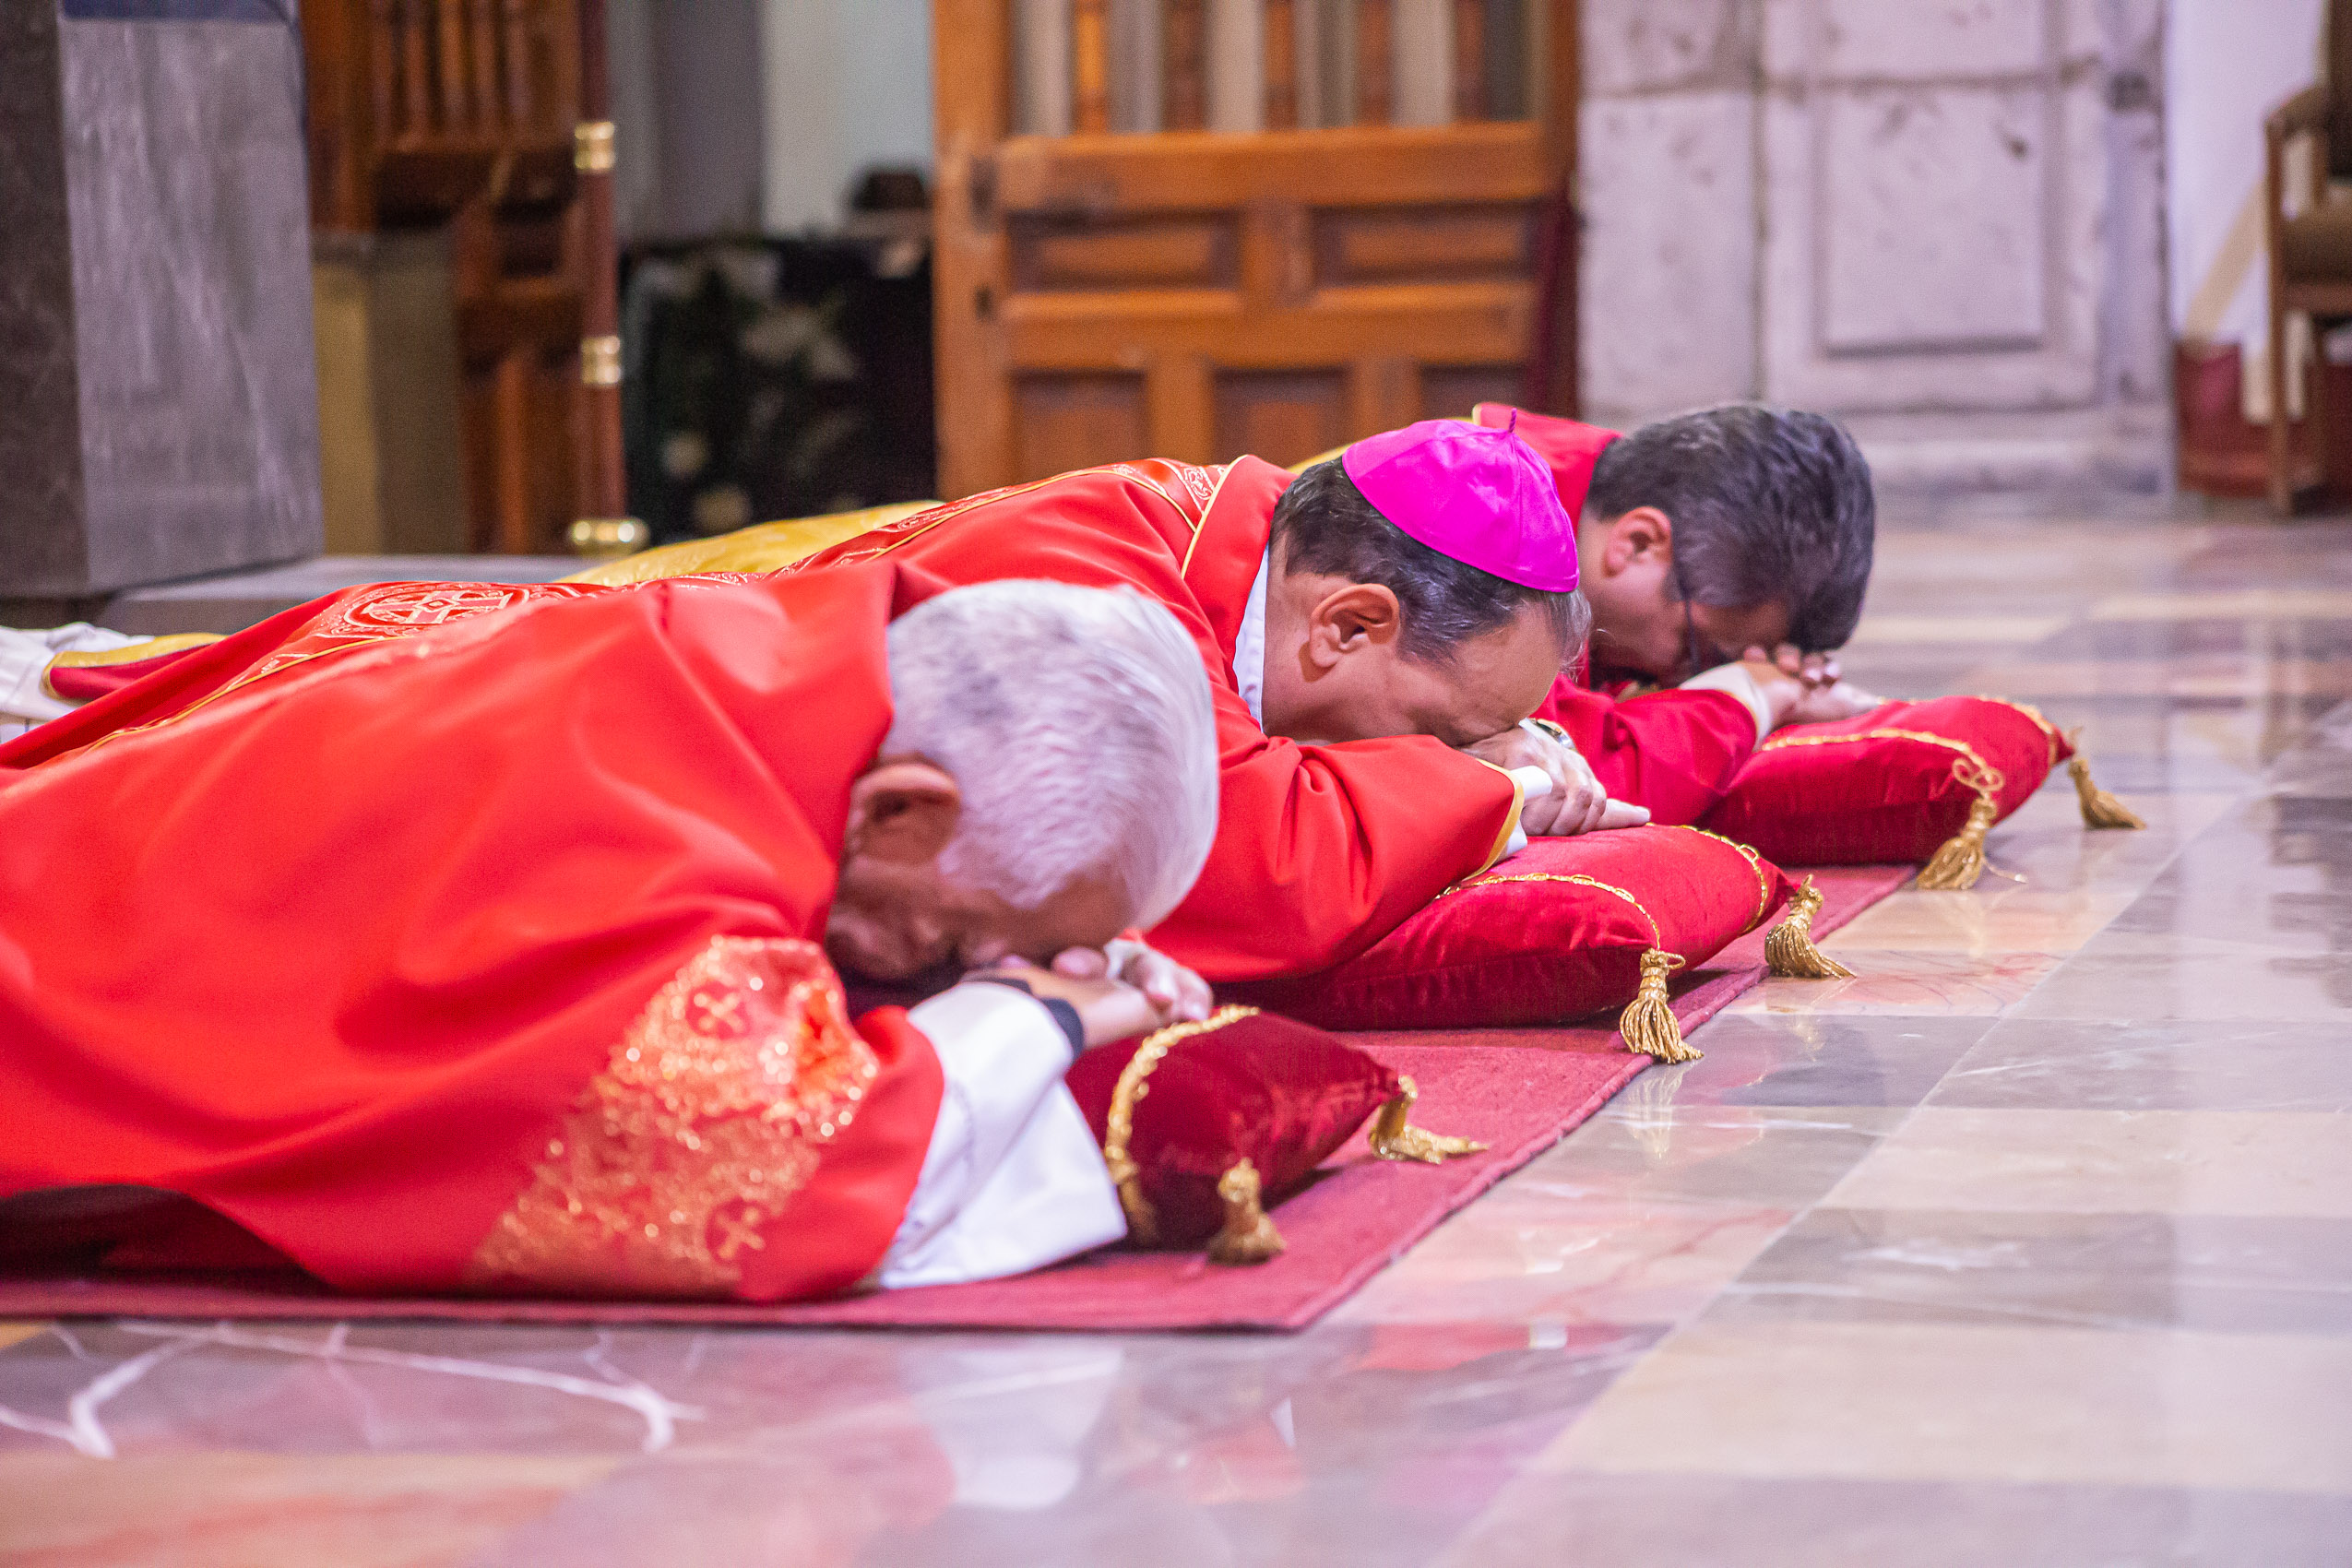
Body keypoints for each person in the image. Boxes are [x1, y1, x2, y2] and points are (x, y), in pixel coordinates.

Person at [1, 422, 1630, 987]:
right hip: (508, 719)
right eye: (1449, 720)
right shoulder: (1098, 591)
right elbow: (1233, 871)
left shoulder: (1229, 566)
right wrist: (1497, 793)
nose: (1468, 751)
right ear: (1347, 623)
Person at [0, 567, 1223, 1302]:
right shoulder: (647, 832)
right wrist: (1041, 1014)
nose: (953, 972)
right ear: (903, 809)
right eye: (966, 938)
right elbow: (784, 1176)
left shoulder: (750, 663)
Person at [1468, 401, 1884, 826]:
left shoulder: (1605, 496)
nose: (1679, 682)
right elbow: (1574, 788)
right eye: (1696, 652)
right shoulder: (1483, 521)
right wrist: (1752, 694)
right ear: (1638, 543)